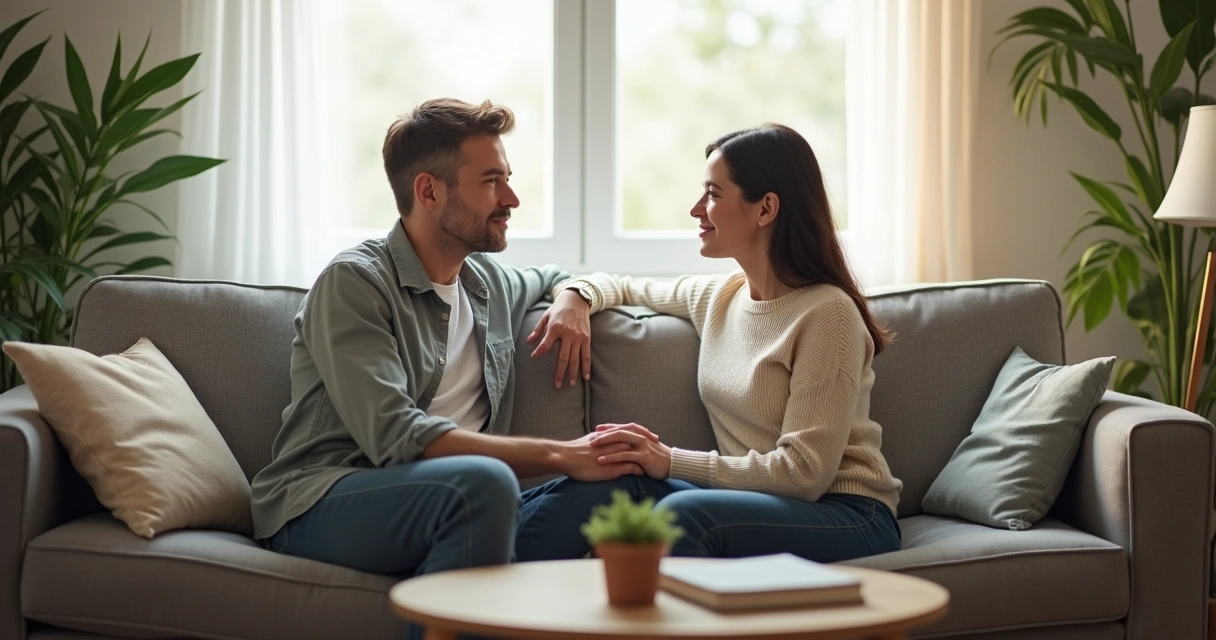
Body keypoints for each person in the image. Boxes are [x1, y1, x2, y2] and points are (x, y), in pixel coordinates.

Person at [250, 98, 645, 578]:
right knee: (486, 486)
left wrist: (575, 297)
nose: (512, 199)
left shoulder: (488, 283)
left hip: (466, 502)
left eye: (507, 179)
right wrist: (561, 454)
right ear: (429, 191)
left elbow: (556, 276)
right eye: (491, 181)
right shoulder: (354, 282)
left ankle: (470, 566)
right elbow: (395, 436)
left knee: (616, 482)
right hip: (323, 501)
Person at [516, 124, 903, 563]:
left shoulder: (827, 314)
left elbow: (804, 475)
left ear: (766, 208)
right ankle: (485, 584)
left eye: (713, 194)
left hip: (849, 514)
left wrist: (668, 460)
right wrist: (576, 296)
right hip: (763, 503)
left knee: (683, 512)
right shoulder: (720, 298)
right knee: (617, 474)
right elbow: (622, 284)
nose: (696, 209)